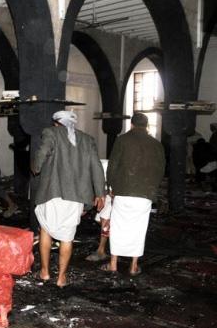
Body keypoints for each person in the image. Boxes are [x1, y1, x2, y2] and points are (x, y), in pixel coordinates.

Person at [32, 111, 105, 287]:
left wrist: (35, 167)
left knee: (45, 230)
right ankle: (61, 278)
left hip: (52, 192)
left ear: (57, 123)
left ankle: (45, 272)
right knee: (67, 237)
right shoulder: (87, 139)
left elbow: (42, 154)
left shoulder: (51, 132)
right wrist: (100, 193)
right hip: (76, 196)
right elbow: (96, 167)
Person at [103, 113, 165, 276]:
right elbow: (160, 170)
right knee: (139, 228)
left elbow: (113, 165)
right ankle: (133, 266)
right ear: (147, 125)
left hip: (123, 190)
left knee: (118, 227)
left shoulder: (122, 140)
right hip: (145, 193)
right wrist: (152, 189)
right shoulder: (156, 144)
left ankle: (113, 264)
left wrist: (111, 186)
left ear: (131, 124)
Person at [86, 159, 112, 262]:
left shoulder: (105, 166)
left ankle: (101, 251)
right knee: (100, 220)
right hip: (105, 193)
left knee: (105, 221)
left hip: (115, 194)